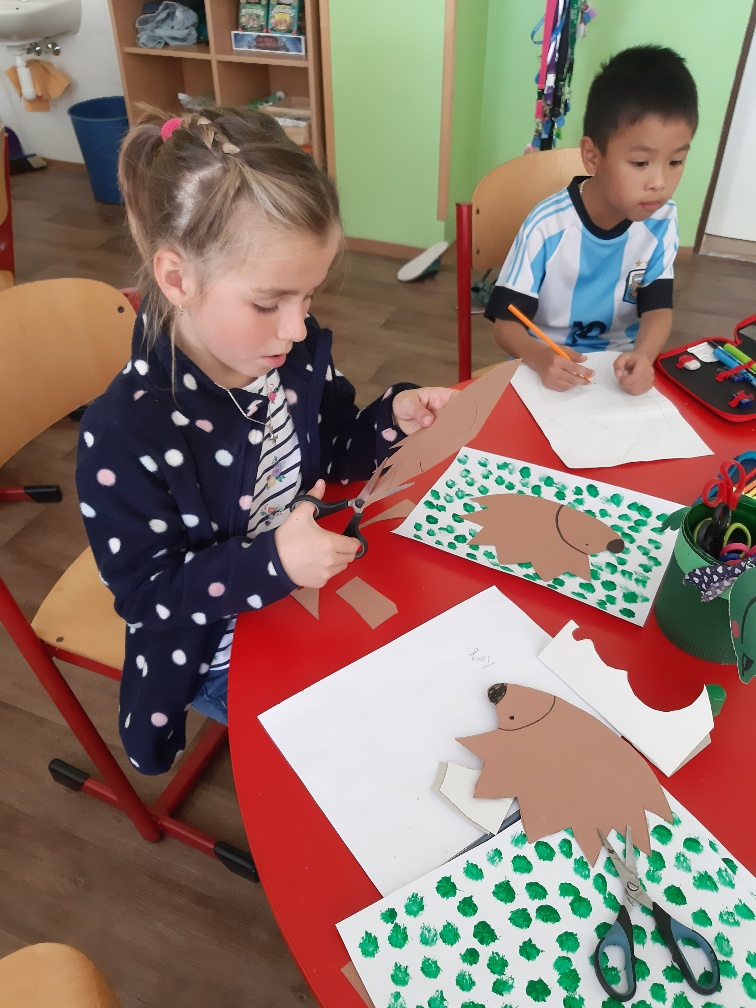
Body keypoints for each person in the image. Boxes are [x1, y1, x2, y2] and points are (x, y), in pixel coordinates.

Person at [75, 107, 457, 775]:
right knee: (376, 752)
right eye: (269, 303)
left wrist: (392, 417)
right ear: (177, 279)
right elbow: (148, 597)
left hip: (305, 580)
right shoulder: (124, 434)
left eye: (308, 298)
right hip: (217, 647)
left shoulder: (290, 355)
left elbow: (332, 450)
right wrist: (274, 563)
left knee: (437, 660)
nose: (297, 328)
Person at [486, 45, 698, 394]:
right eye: (641, 163)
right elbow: (506, 326)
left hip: (618, 370)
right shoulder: (547, 226)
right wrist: (540, 357)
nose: (660, 182)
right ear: (592, 156)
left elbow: (658, 310)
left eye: (675, 162)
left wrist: (644, 357)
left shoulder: (662, 219)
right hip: (545, 367)